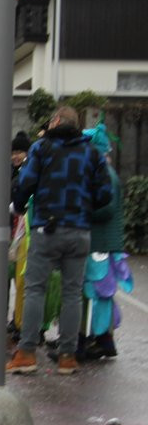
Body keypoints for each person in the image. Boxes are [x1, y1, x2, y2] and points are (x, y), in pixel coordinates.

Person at [8, 106, 111, 375]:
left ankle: (27, 353)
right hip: (79, 231)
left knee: (35, 290)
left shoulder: (42, 148)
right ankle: (67, 356)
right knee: (72, 293)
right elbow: (105, 194)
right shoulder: (92, 153)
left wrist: (19, 205)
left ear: (55, 121)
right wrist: (85, 208)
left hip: (47, 229)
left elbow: (26, 182)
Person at [80, 123, 130, 361]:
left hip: (101, 243)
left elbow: (107, 209)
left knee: (98, 291)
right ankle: (99, 339)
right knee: (99, 291)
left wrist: (83, 213)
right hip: (103, 241)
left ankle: (101, 341)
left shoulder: (104, 174)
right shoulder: (104, 171)